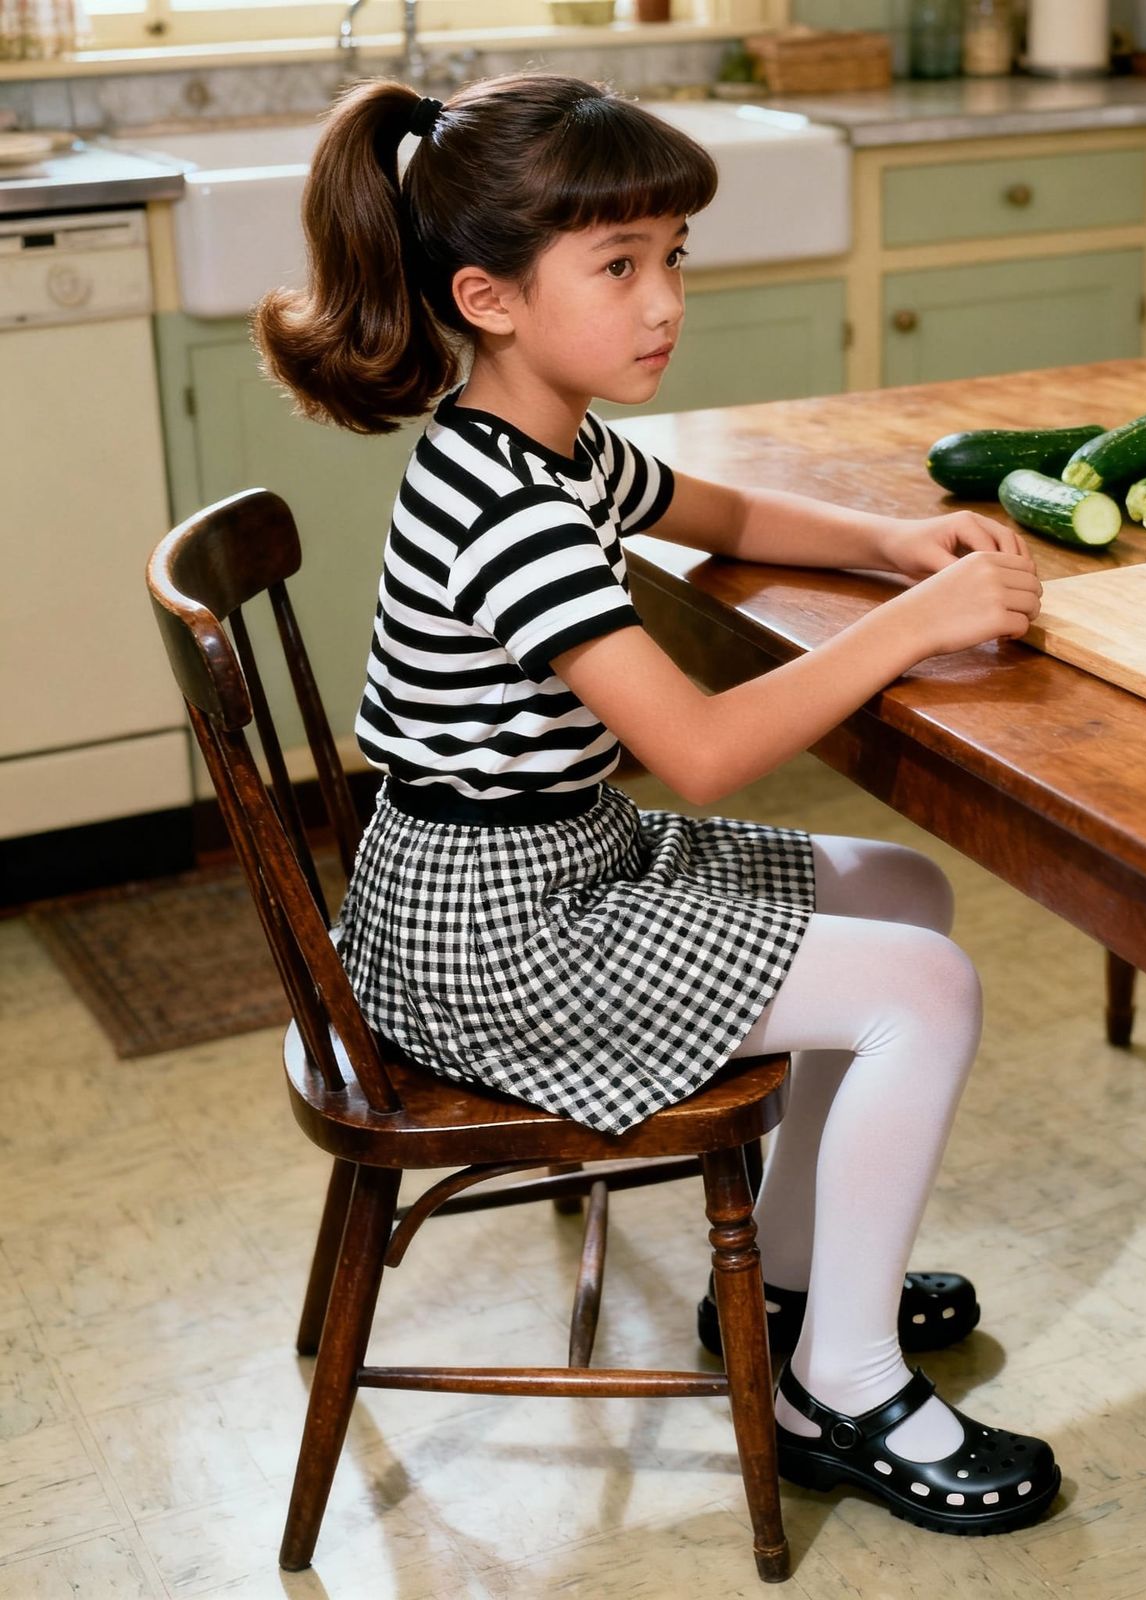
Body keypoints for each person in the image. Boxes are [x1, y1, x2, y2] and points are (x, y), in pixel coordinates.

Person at [254, 70, 1058, 1535]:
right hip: (492, 935)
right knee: (923, 992)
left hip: (541, 866)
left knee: (905, 896)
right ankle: (850, 1387)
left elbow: (721, 512)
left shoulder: (537, 439)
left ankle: (808, 1289)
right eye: (617, 267)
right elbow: (695, 747)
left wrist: (893, 544)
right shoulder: (508, 509)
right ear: (488, 298)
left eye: (670, 254)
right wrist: (922, 621)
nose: (663, 299)